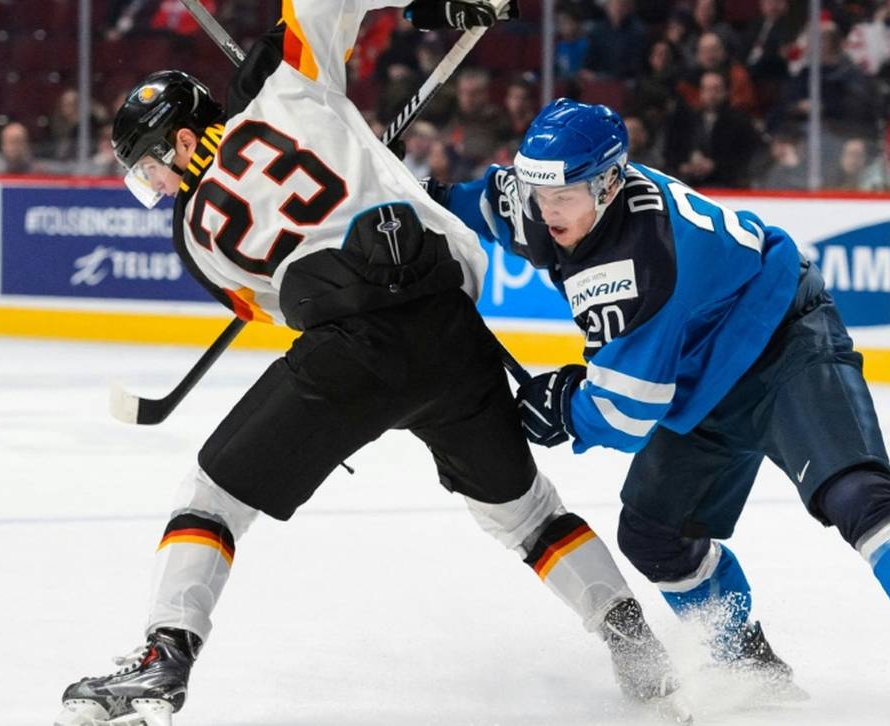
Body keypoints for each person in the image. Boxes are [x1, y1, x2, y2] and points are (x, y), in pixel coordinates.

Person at [52, 4, 691, 726]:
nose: (157, 188)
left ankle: (164, 658)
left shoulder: (195, 242)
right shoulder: (285, 79)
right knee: (529, 514)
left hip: (350, 354)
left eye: (151, 168)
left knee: (211, 498)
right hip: (451, 332)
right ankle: (637, 647)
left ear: (186, 137)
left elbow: (273, 305)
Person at [431, 99, 890, 726]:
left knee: (857, 496)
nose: (547, 211)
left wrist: (567, 407)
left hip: (785, 346)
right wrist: (387, 189)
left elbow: (626, 415)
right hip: (703, 378)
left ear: (609, 183)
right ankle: (748, 659)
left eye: (563, 196)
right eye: (539, 192)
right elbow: (470, 203)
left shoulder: (642, 260)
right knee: (654, 537)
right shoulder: (551, 200)